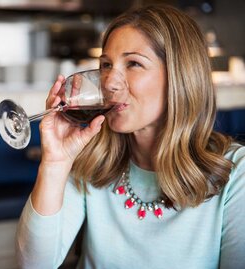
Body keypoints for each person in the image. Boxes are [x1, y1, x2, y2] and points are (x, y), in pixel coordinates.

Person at [15, 4, 245, 269]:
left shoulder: (234, 173)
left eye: (133, 63)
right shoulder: (92, 161)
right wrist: (55, 164)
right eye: (106, 65)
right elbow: (32, 265)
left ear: (180, 76)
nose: (110, 82)